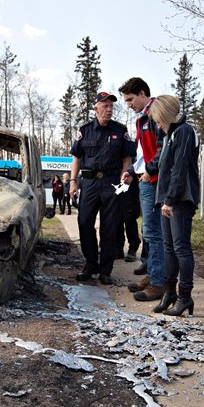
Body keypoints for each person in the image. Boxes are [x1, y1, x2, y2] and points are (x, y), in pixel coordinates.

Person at [69, 92, 135, 285]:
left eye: (111, 107)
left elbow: (127, 158)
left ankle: (106, 270)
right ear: (96, 108)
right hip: (88, 183)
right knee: (84, 222)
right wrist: (73, 182)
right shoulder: (85, 130)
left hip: (112, 183)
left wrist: (124, 180)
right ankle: (90, 265)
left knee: (110, 227)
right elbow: (76, 157)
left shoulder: (120, 131)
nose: (109, 110)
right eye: (105, 106)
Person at [148, 95, 200, 316]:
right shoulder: (169, 134)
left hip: (180, 198)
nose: (158, 125)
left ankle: (185, 296)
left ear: (166, 115)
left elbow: (179, 169)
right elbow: (163, 166)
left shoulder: (184, 131)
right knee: (169, 247)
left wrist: (170, 200)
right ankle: (168, 294)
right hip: (166, 198)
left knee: (181, 248)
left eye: (159, 120)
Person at [119, 77, 166, 302]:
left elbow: (163, 149)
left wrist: (149, 169)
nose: (128, 105)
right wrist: (132, 171)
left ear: (142, 93)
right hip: (146, 178)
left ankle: (159, 283)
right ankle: (154, 274)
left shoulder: (158, 113)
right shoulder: (140, 120)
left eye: (130, 100)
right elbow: (141, 151)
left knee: (155, 232)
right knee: (149, 232)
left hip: (156, 180)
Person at [115, 171, 141, 261]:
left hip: (129, 182)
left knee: (129, 217)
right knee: (116, 218)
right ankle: (118, 248)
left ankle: (133, 248)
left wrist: (131, 173)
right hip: (115, 181)